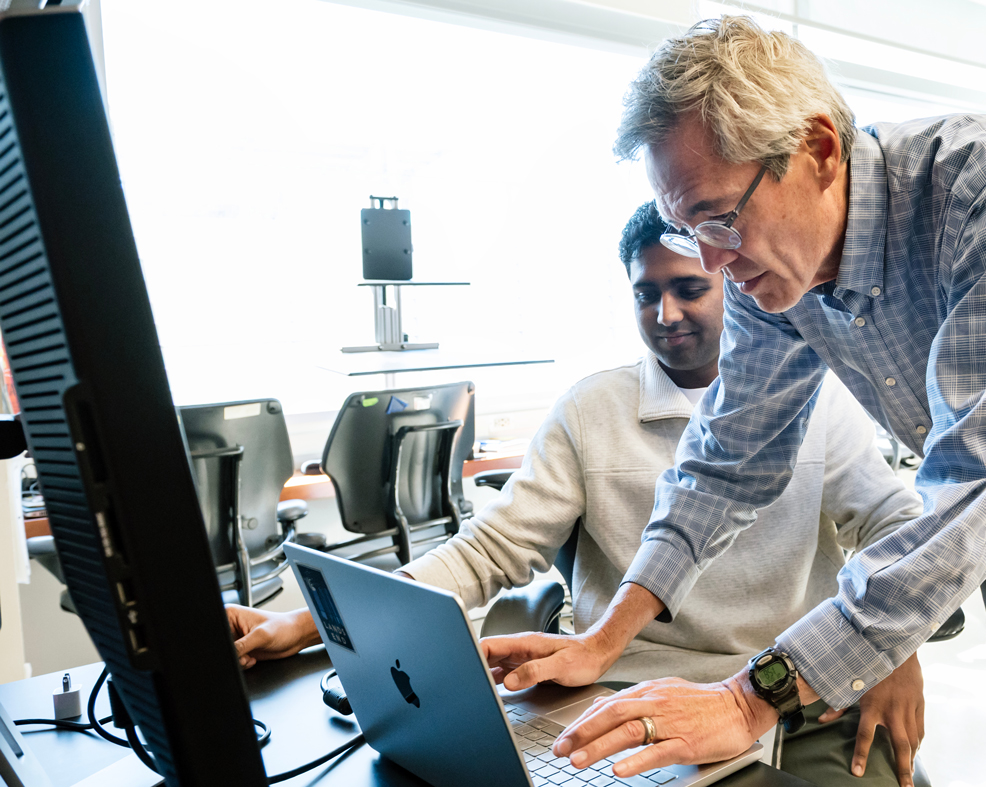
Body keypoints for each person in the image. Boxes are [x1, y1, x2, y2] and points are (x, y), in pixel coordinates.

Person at [482, 16, 986, 787]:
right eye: (683, 225)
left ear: (818, 150)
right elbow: (727, 463)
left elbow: (966, 495)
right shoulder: (768, 268)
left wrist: (747, 701)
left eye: (716, 218)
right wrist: (602, 640)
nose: (708, 260)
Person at [226, 200, 931, 787]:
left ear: (733, 282)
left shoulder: (820, 404)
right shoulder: (590, 409)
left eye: (689, 288)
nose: (665, 312)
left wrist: (895, 649)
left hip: (771, 694)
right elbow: (488, 550)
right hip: (611, 693)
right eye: (645, 292)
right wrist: (310, 622)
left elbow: (898, 525)